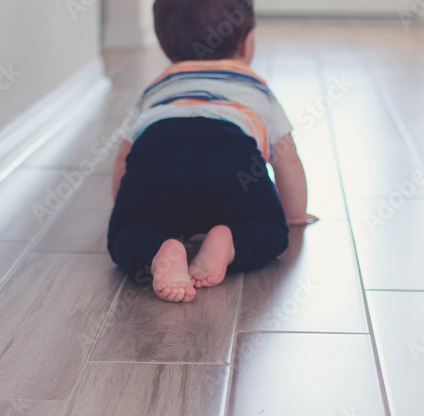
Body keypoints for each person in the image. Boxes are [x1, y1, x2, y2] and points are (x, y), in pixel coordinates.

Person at [108, 0, 315, 302]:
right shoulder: (256, 87)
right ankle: (229, 244)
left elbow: (124, 158)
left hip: (159, 148)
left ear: (166, 46)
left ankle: (158, 254)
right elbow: (287, 156)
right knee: (270, 230)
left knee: (126, 233)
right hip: (231, 156)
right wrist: (294, 214)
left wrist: (127, 208)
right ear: (245, 43)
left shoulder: (156, 87)